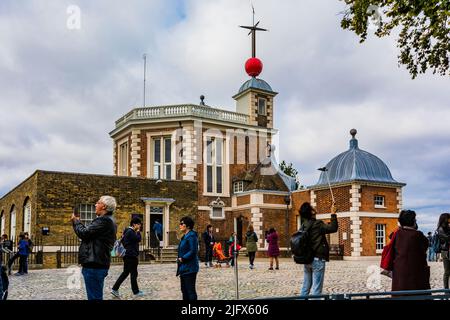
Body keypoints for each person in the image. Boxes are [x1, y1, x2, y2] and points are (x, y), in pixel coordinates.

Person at [71, 195, 117, 300]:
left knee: (94, 297)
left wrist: (76, 221)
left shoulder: (104, 221)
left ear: (104, 206)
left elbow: (84, 233)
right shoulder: (107, 220)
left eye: (98, 202)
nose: (95, 204)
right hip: (97, 264)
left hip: (94, 266)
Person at [299, 202, 338, 296]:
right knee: (317, 289)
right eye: (312, 207)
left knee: (305, 287)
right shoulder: (317, 224)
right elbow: (333, 228)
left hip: (307, 259)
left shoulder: (303, 226)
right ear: (311, 212)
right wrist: (333, 213)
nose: (314, 208)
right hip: (317, 259)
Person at [391, 210, 430, 292]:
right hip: (416, 272)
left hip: (399, 272)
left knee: (401, 293)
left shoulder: (396, 234)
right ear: (412, 221)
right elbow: (426, 245)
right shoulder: (418, 235)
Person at [111, 217, 144, 298]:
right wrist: (138, 232)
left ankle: (135, 290)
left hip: (129, 256)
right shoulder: (131, 232)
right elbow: (138, 239)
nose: (139, 226)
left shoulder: (127, 231)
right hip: (131, 256)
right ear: (134, 224)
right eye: (139, 224)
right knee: (129, 273)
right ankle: (115, 289)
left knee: (131, 273)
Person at [176, 216, 199, 301]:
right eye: (180, 223)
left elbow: (193, 251)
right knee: (184, 290)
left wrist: (182, 258)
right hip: (184, 267)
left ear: (188, 226)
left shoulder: (191, 236)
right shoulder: (185, 236)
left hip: (190, 268)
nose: (180, 225)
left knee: (190, 291)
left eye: (182, 224)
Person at [437, 213, 450, 289]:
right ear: (445, 219)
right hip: (445, 251)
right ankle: (446, 289)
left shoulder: (448, 227)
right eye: (448, 218)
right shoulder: (440, 229)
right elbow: (447, 238)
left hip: (448, 250)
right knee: (447, 272)